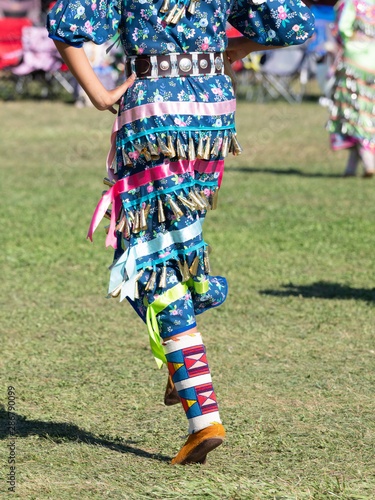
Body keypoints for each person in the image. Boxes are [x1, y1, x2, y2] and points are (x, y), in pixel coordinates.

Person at [46, 0, 314, 465]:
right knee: (175, 246)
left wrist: (99, 94)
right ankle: (182, 355)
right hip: (211, 113)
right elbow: (295, 23)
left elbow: (66, 25)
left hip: (153, 112)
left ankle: (202, 414)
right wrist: (228, 53)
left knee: (145, 262)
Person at [327, 0, 375, 177]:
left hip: (354, 62)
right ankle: (352, 166)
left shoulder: (351, 3)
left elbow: (341, 29)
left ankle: (368, 157)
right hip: (373, 61)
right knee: (368, 111)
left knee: (353, 111)